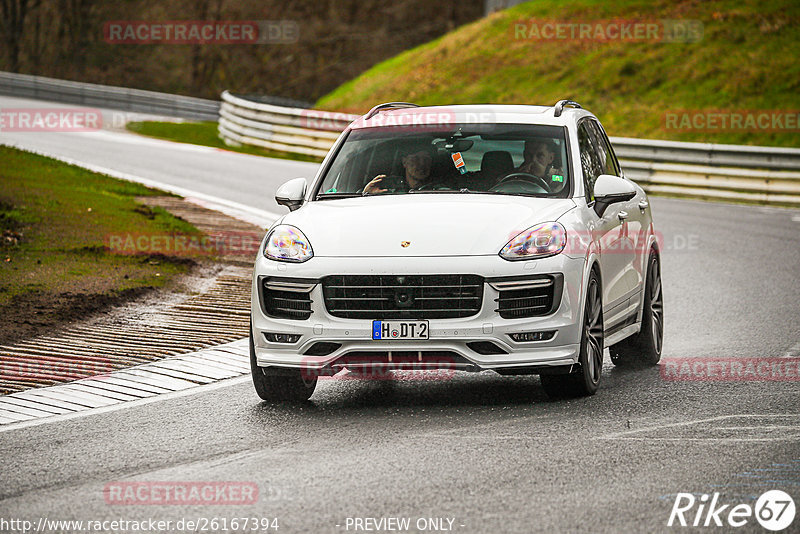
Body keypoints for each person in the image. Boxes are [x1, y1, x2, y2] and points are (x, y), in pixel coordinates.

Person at [362, 149, 438, 194]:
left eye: (426, 159)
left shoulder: (441, 190)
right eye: (416, 159)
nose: (422, 164)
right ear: (404, 162)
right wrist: (367, 194)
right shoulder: (388, 188)